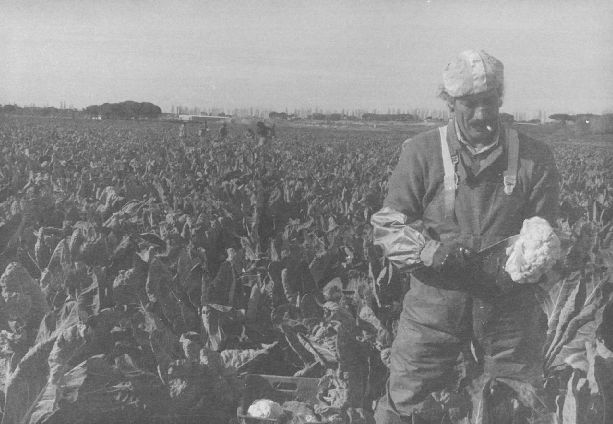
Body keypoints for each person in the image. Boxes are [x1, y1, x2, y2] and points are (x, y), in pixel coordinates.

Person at [371, 50, 560, 423]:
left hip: (508, 315)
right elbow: (387, 225)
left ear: (500, 99)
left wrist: (534, 258)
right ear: (449, 102)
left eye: (488, 102)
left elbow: (546, 230)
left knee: (516, 408)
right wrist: (427, 250)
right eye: (469, 105)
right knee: (406, 405)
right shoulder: (422, 152)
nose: (481, 115)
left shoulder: (534, 157)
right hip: (433, 312)